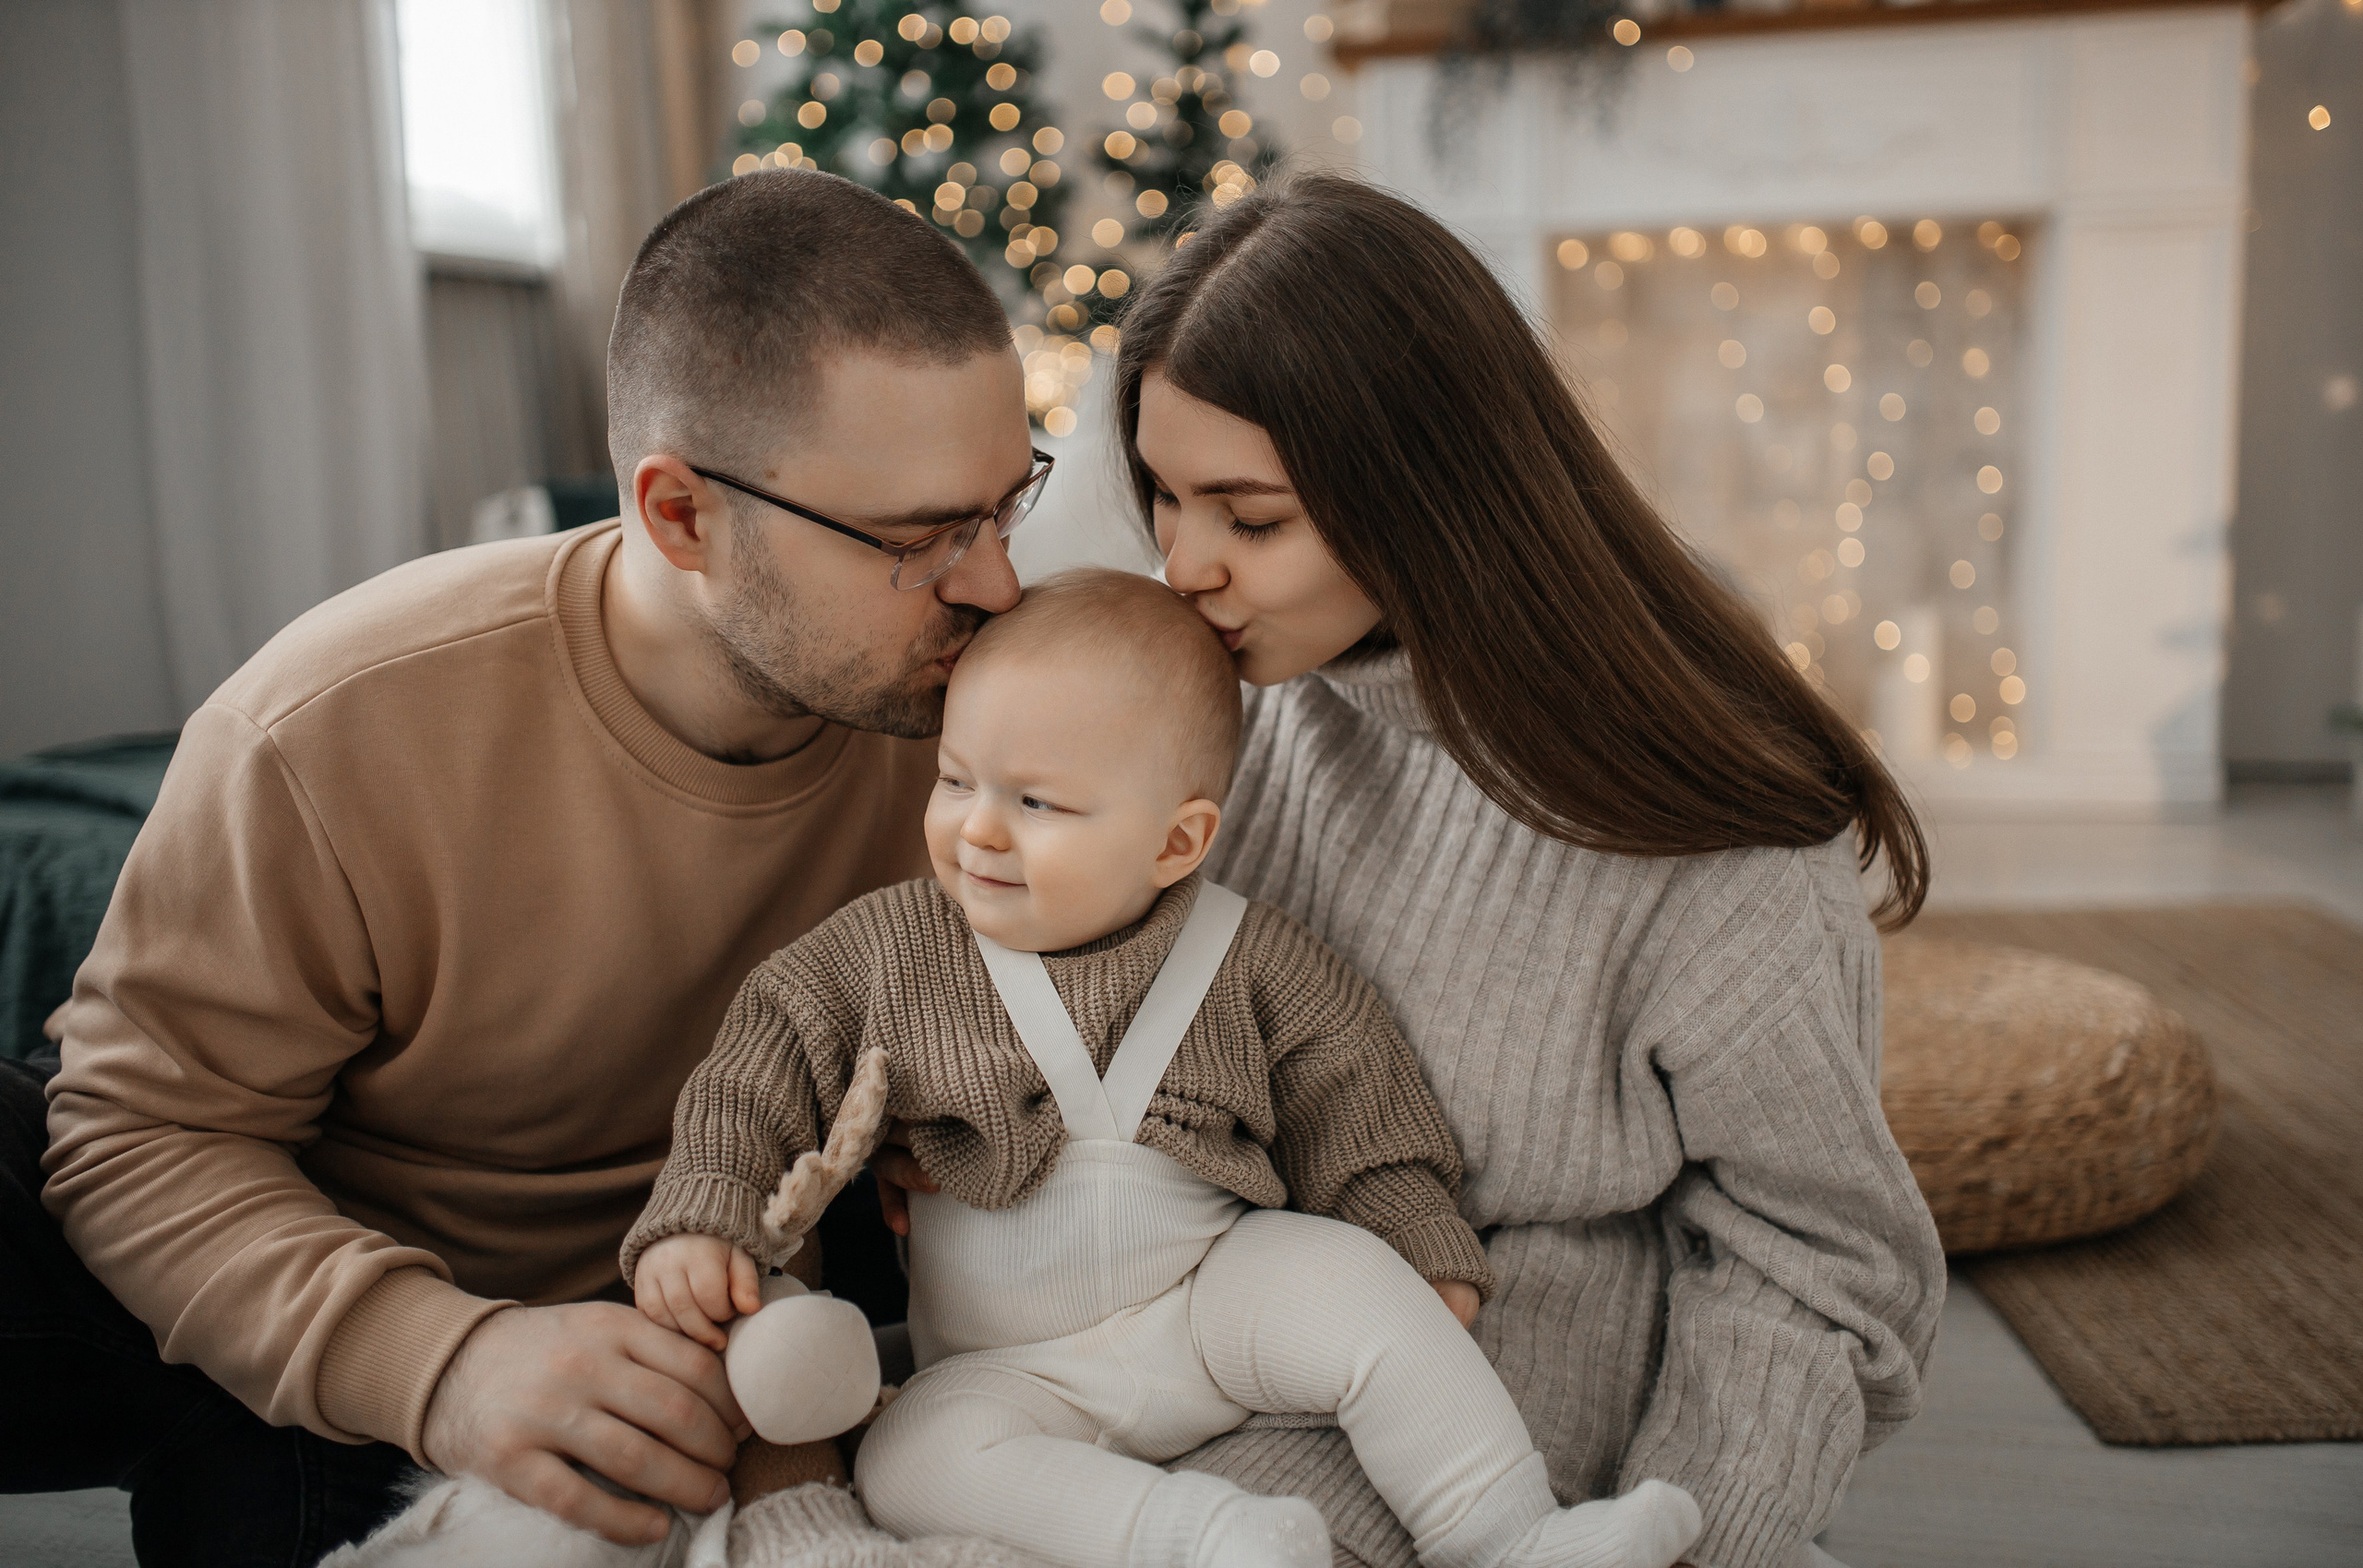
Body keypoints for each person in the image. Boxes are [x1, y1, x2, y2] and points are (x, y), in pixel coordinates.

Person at [870, 175, 1950, 1568]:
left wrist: (1705, 1533)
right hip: (1151, 1321)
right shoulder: (1230, 694)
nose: (1182, 563)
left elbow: (1823, 1262)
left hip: (1466, 1402)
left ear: (1425, 497)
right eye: (1162, 495)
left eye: (1248, 519)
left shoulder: (1712, 833)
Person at [0, 168, 1044, 1565]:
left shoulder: (987, 709)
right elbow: (136, 1134)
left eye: (1005, 506)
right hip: (364, 1341)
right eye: (920, 540)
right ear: (679, 516)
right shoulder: (329, 727)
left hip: (771, 1319)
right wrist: (447, 1362)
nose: (995, 587)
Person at [618, 569, 1704, 1568]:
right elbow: (760, 1064)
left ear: (1177, 845)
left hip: (1207, 1298)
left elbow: (1358, 1101)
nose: (978, 831)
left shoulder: (1250, 957)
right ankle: (1208, 1540)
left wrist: (1409, 1229)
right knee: (910, 1461)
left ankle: (1514, 1535)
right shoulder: (889, 949)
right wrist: (707, 1206)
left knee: (1360, 1293)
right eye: (957, 779)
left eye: (1036, 803)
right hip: (1006, 1365)